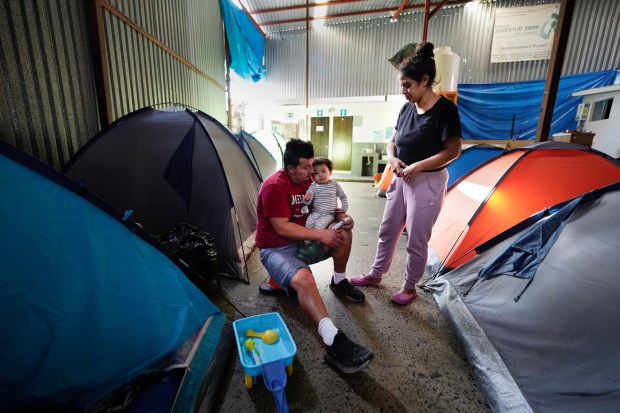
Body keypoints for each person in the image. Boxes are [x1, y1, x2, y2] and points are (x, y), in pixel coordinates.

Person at [350, 42, 462, 306]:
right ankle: (376, 274)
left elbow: (453, 150)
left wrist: (418, 166)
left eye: (407, 85)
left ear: (425, 80)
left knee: (416, 237)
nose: (403, 91)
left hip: (427, 181)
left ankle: (410, 287)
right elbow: (393, 140)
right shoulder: (406, 109)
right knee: (388, 229)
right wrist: (392, 158)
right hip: (401, 177)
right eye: (402, 85)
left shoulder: (445, 110)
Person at [255, 139, 374, 373]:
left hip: (304, 242)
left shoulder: (311, 181)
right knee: (306, 280)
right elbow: (281, 228)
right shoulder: (274, 186)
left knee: (343, 233)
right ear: (290, 168)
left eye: (313, 165)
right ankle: (333, 341)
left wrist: (341, 216)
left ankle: (339, 282)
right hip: (277, 249)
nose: (312, 171)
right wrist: (321, 234)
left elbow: (327, 206)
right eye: (306, 167)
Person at [304, 157, 349, 230]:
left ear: (330, 172)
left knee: (319, 225)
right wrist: (306, 199)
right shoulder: (313, 186)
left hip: (329, 214)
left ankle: (318, 241)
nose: (320, 175)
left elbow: (343, 196)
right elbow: (307, 203)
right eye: (316, 173)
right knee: (308, 224)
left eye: (323, 171)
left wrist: (344, 208)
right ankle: (307, 241)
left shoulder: (335, 185)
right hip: (315, 213)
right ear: (313, 176)